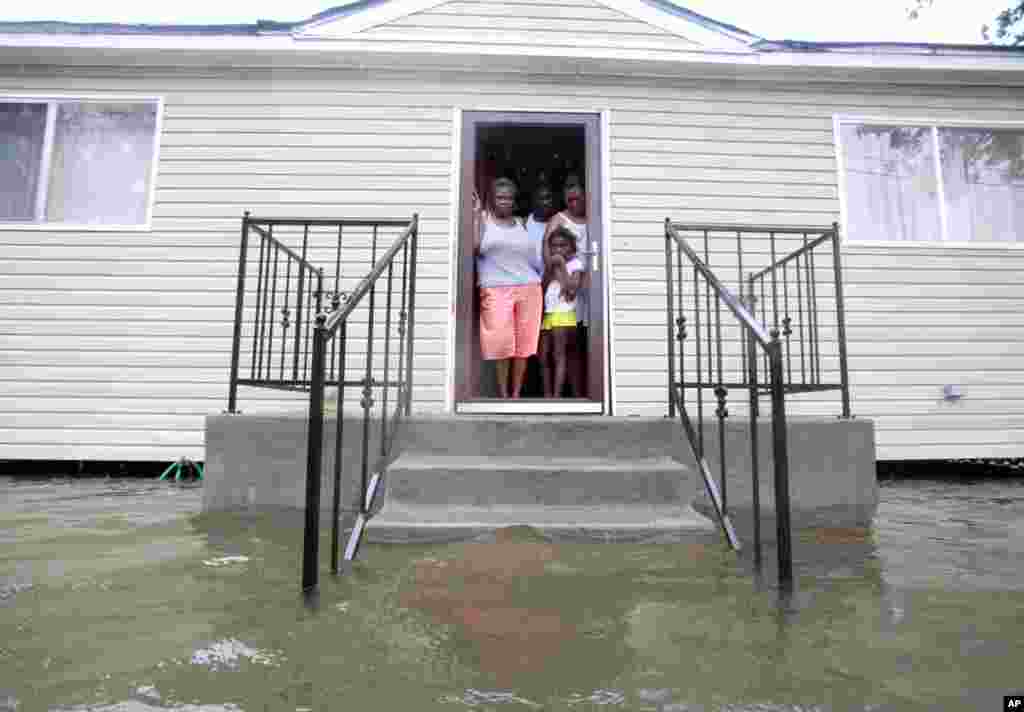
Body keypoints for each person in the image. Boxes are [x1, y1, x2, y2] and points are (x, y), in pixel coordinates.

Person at [472, 177, 543, 399]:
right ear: (492, 199)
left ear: (514, 201)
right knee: (501, 344)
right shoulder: (483, 219)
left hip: (529, 287)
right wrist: (476, 214)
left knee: (523, 346)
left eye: (509, 198)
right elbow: (474, 248)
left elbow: (534, 258)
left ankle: (515, 395)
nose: (505, 202)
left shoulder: (522, 223)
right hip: (495, 288)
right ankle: (503, 396)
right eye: (500, 197)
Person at [542, 181, 589, 398]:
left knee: (573, 350)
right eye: (570, 199)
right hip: (558, 298)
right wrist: (556, 269)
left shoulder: (594, 216)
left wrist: (563, 270)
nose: (574, 203)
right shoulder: (559, 220)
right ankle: (555, 397)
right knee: (552, 352)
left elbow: (572, 285)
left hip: (581, 291)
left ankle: (576, 395)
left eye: (578, 198)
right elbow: (549, 253)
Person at [538, 227, 587, 398]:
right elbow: (542, 287)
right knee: (543, 356)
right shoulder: (550, 265)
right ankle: (547, 394)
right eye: (554, 246)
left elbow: (571, 291)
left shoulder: (576, 265)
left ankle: (557, 398)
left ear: (572, 248)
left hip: (565, 314)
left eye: (563, 245)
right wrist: (550, 268)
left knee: (560, 355)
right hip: (550, 314)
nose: (558, 250)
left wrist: (561, 267)